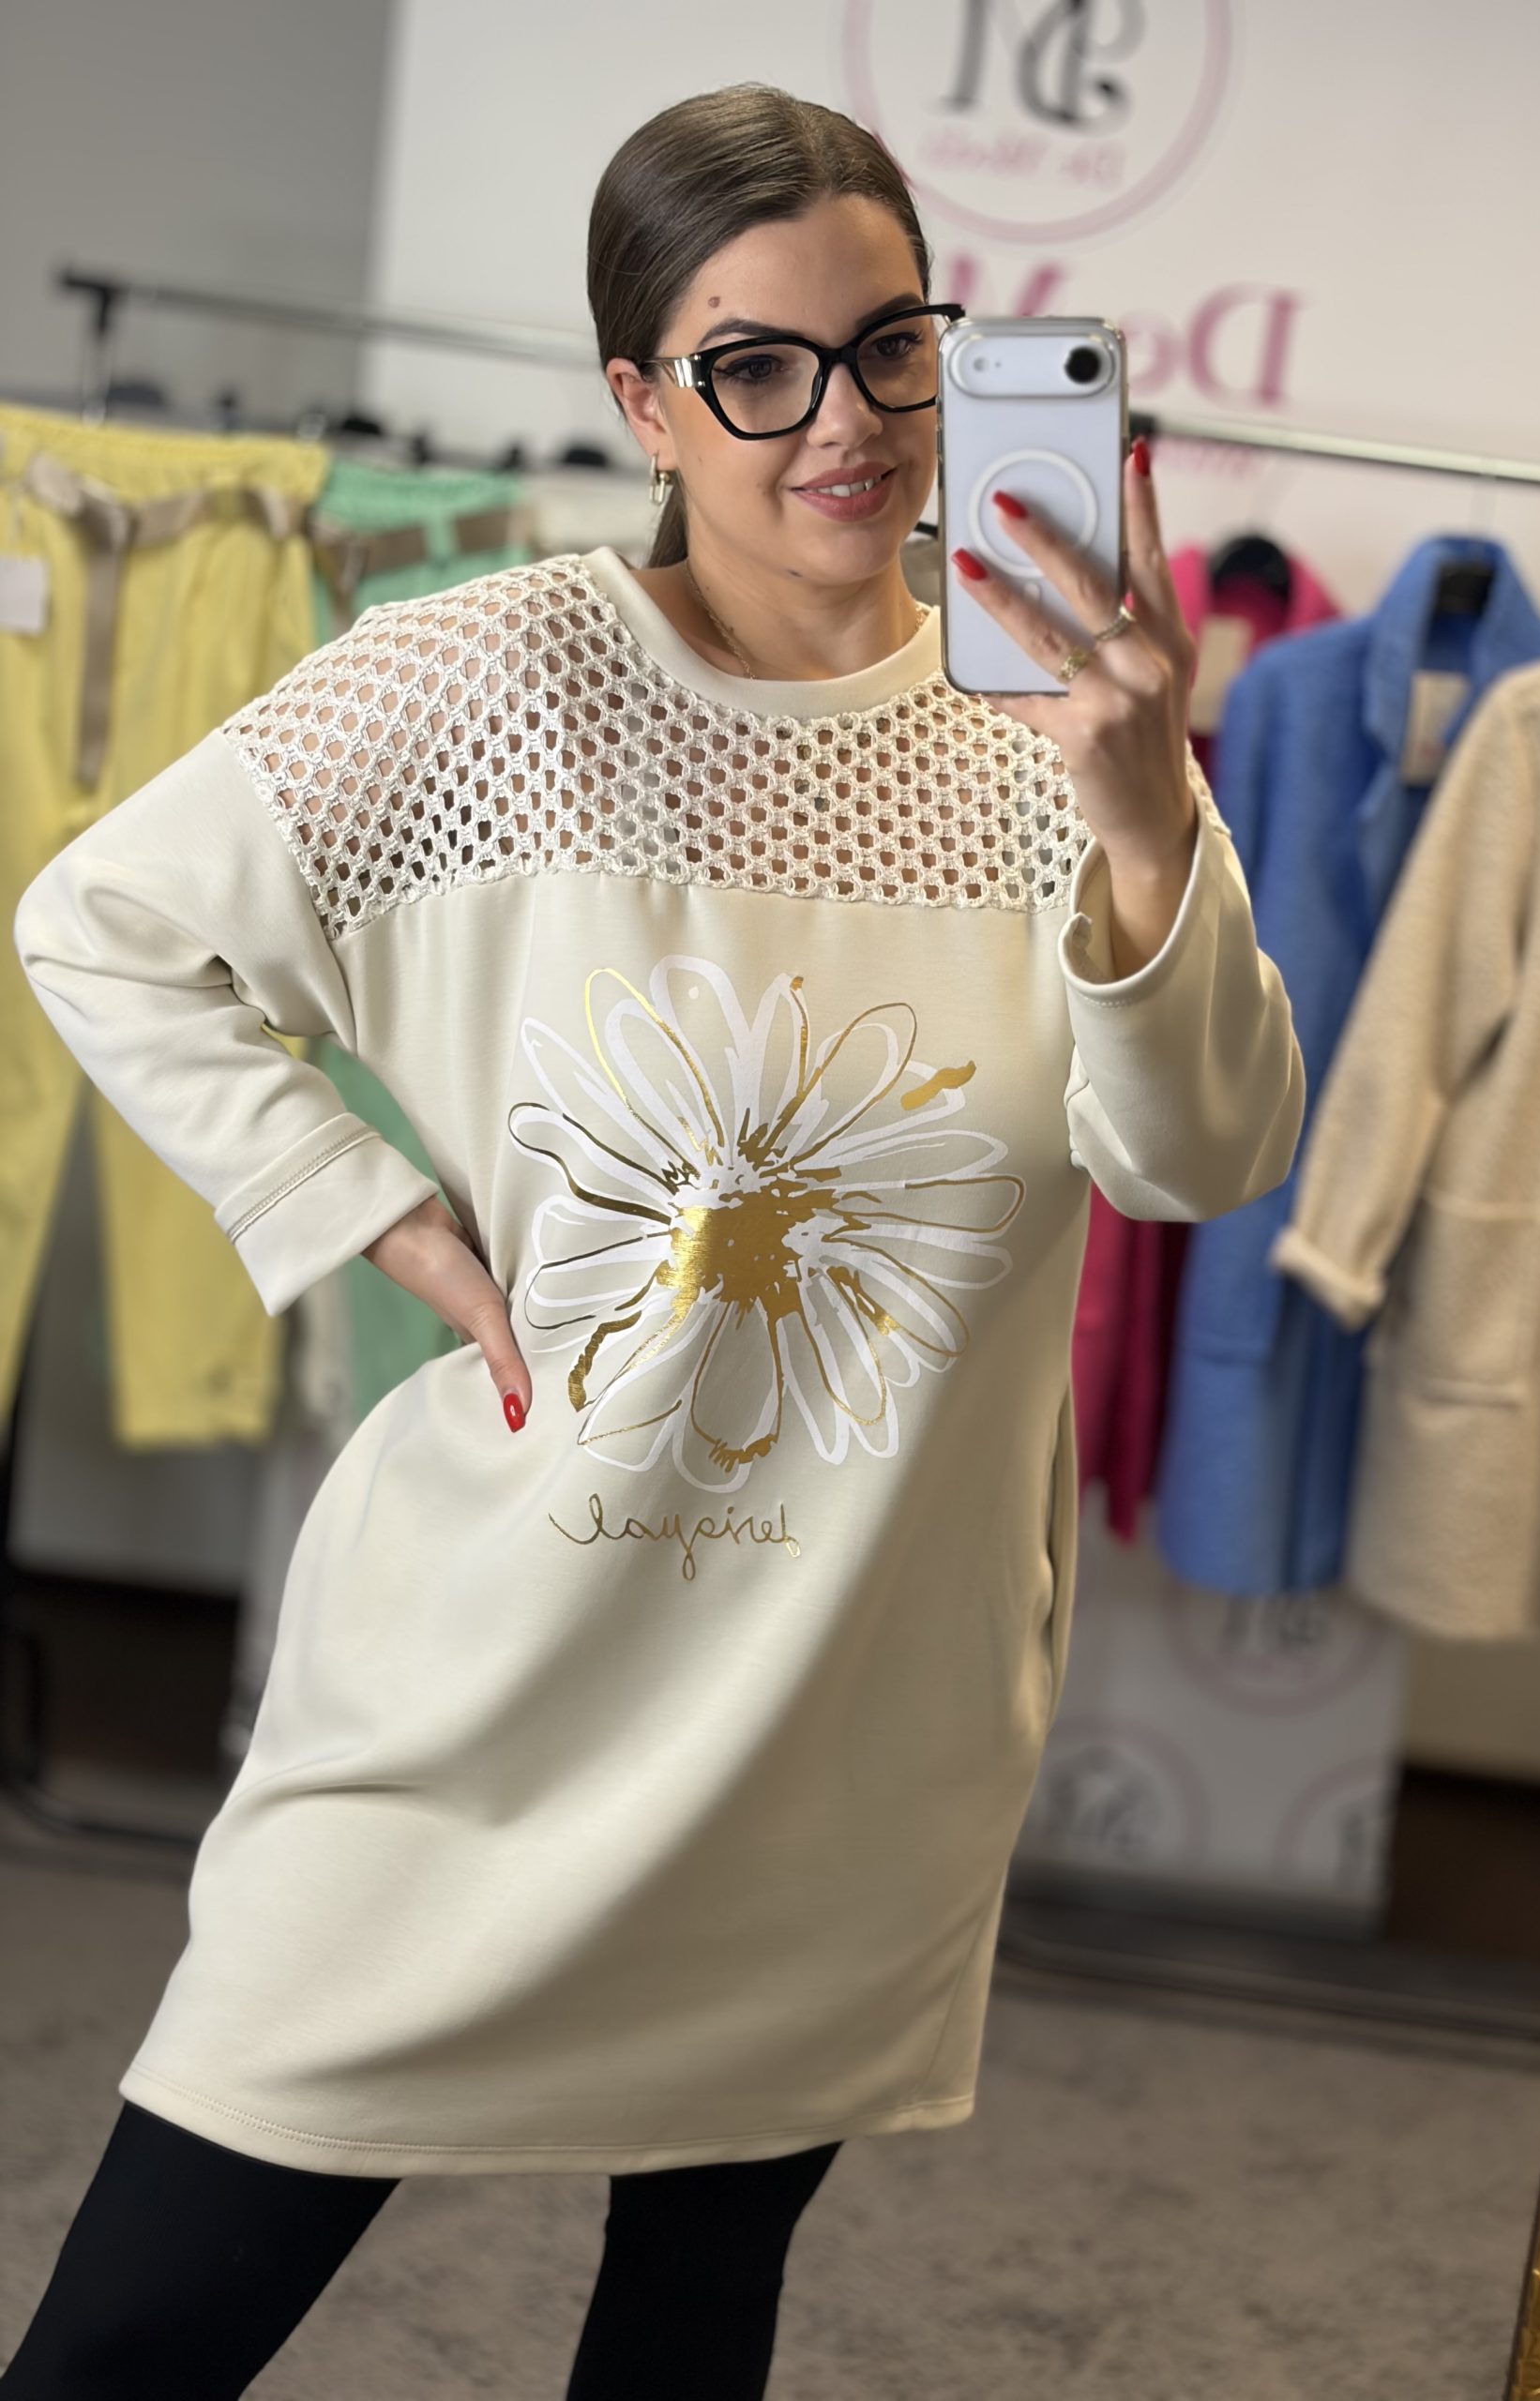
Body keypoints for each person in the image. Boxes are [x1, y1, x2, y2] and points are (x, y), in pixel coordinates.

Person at [3, 81, 1303, 2401]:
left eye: (891, 346)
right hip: (483, 1687)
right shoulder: (484, 680)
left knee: (697, 2308)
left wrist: (1138, 824)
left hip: (849, 1713)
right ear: (642, 400)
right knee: (135, 2334)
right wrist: (363, 1203)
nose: (849, 422)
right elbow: (101, 924)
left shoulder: (1064, 740)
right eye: (757, 366)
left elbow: (1199, 1150)